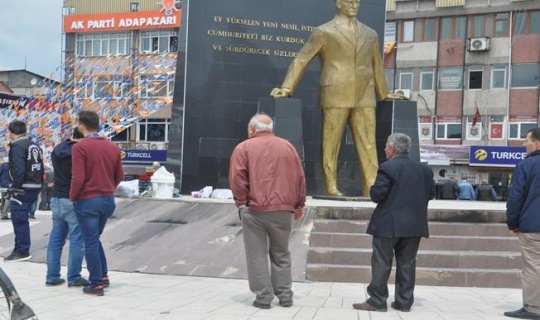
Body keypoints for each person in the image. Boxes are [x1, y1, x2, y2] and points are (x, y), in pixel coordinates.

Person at [270, 0, 404, 197]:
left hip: (365, 94)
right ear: (338, 3)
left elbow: (376, 65)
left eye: (356, 2)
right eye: (349, 2)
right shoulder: (324, 31)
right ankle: (330, 186)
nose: (354, 5)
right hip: (335, 92)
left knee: (368, 144)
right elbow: (302, 59)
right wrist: (287, 87)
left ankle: (371, 187)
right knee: (331, 144)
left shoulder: (370, 33)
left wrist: (383, 93)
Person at [229, 113, 306, 309]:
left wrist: (241, 203)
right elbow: (300, 177)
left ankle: (263, 298)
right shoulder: (288, 147)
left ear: (252, 129)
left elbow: (237, 178)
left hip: (254, 210)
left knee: (257, 254)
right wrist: (299, 205)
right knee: (281, 253)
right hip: (283, 210)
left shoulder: (243, 148)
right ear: (270, 128)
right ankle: (285, 296)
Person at [353, 133, 434, 313]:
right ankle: (404, 302)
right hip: (414, 225)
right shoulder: (425, 170)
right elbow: (431, 194)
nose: (384, 150)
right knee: (407, 263)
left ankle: (377, 301)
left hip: (388, 225)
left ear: (392, 148)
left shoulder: (388, 167)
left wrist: (373, 189)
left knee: (381, 262)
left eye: (386, 147)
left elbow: (377, 195)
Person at [70, 111, 124, 296]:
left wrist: (73, 196)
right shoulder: (112, 147)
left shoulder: (80, 147)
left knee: (90, 242)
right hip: (107, 200)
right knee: (94, 239)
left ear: (80, 125)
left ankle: (96, 284)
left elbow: (78, 177)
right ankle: (103, 276)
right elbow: (120, 176)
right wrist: (108, 188)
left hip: (87, 201)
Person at [46, 127, 89, 288]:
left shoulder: (58, 149)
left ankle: (52, 276)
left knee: (56, 239)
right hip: (72, 198)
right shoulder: (80, 151)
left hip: (56, 197)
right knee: (77, 239)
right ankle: (74, 277)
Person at [504, 128, 540, 320]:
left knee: (533, 266)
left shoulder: (526, 165)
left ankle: (534, 307)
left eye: (527, 140)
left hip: (533, 227)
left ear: (537, 144)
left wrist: (513, 223)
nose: (524, 144)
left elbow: (516, 197)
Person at [5, 120, 44, 262]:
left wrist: (15, 186)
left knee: (19, 219)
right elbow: (41, 166)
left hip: (23, 188)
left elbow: (19, 169)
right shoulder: (35, 145)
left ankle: (22, 250)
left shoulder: (17, 146)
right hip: (35, 185)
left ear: (11, 133)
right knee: (22, 218)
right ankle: (21, 248)